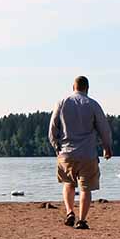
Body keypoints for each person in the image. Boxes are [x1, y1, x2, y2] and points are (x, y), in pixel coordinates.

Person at [48, 76, 113, 229]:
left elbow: (52, 129)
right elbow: (104, 128)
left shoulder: (62, 103)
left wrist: (57, 147)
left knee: (68, 183)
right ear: (87, 88)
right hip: (87, 154)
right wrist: (107, 147)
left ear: (73, 87)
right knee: (86, 188)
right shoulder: (93, 104)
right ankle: (82, 220)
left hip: (66, 153)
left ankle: (70, 211)